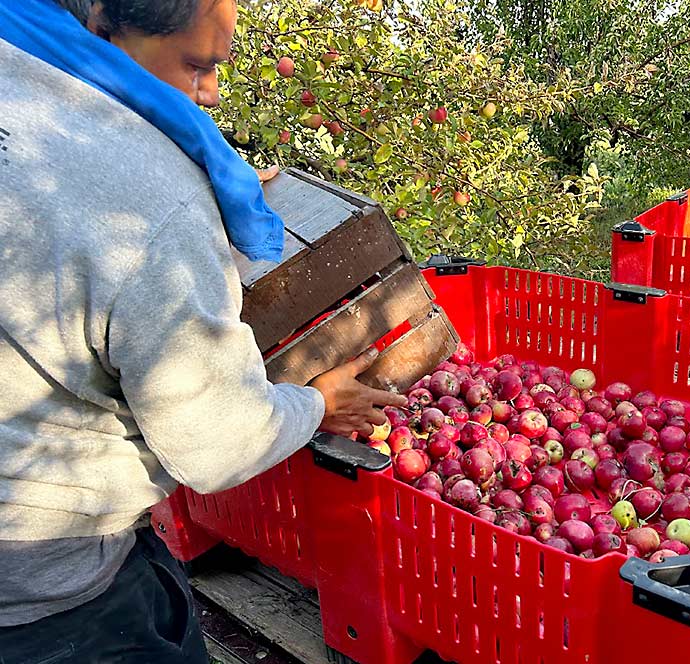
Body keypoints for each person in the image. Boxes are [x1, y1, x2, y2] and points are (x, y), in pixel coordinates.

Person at [0, 0, 407, 661]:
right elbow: (218, 446)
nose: (211, 95)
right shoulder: (149, 202)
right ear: (103, 20)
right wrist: (319, 403)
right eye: (196, 65)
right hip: (51, 596)